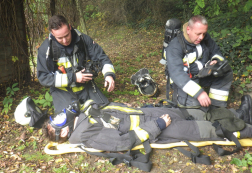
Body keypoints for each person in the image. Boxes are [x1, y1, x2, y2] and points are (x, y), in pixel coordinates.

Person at [43, 95, 252, 150]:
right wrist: (157, 126)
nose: (63, 115)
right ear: (64, 133)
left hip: (146, 113)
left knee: (193, 112)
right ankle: (246, 128)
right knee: (204, 128)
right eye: (59, 122)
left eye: (58, 117)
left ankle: (240, 114)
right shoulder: (84, 135)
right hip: (157, 127)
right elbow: (122, 142)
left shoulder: (82, 115)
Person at [37, 15, 115, 114]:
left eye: (66, 35)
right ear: (52, 33)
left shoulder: (83, 39)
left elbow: (101, 57)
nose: (65, 41)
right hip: (62, 91)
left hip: (86, 86)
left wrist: (109, 75)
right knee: (69, 123)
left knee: (106, 113)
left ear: (70, 27)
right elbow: (43, 78)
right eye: (60, 38)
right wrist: (73, 77)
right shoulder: (46, 49)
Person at [166, 15, 233, 110]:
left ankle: (217, 106)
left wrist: (216, 60)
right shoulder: (175, 47)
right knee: (196, 107)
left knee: (225, 71)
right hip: (184, 80)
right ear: (188, 30)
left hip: (201, 74)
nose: (201, 37)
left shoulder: (204, 38)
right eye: (198, 34)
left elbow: (216, 51)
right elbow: (177, 74)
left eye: (204, 34)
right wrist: (199, 93)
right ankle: (183, 98)